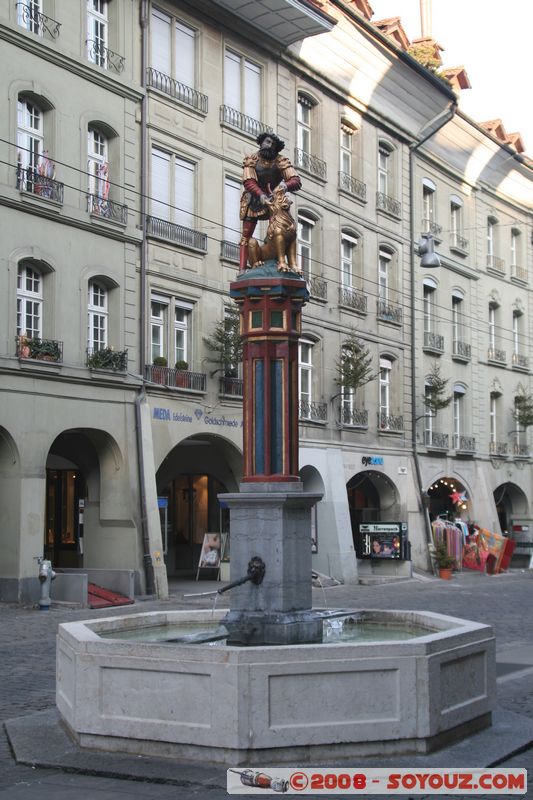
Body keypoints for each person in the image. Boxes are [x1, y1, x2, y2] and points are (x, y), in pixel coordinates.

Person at [239, 132, 301, 271]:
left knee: (280, 230)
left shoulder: (280, 161)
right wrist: (261, 195)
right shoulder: (252, 159)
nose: (270, 145)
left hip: (274, 199)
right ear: (261, 142)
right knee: (246, 236)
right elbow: (249, 181)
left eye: (273, 144)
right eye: (267, 142)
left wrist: (285, 186)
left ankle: (279, 262)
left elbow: (296, 180)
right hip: (253, 199)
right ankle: (242, 269)